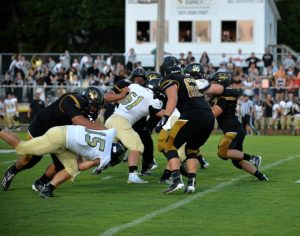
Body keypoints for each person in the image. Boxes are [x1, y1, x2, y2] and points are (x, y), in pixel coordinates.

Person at [1, 87, 111, 192]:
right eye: (95, 106)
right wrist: (106, 131)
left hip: (61, 135)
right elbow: (79, 120)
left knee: (61, 166)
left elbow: (85, 129)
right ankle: (12, 171)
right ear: (87, 101)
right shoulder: (70, 99)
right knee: (30, 159)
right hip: (42, 126)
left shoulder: (91, 111)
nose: (96, 109)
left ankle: (40, 182)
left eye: (98, 107)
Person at [157, 56, 226, 194]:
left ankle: (177, 180)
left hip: (190, 115)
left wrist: (165, 117)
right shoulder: (188, 79)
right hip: (208, 116)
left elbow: (173, 98)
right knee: (192, 149)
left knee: (169, 145)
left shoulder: (169, 79)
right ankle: (191, 182)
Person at [0, 126, 125, 198]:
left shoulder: (109, 134)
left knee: (72, 168)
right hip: (59, 139)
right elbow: (81, 166)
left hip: (64, 135)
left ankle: (47, 190)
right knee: (22, 148)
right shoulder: (105, 157)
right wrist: (98, 165)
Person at [208, 72, 268, 181]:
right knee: (237, 161)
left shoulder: (228, 94)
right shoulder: (218, 96)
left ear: (220, 83)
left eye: (213, 83)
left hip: (233, 131)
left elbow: (214, 113)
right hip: (234, 130)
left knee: (222, 153)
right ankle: (261, 176)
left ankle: (253, 158)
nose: (211, 85)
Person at [104, 75, 164, 184]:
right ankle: (133, 175)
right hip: (122, 122)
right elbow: (162, 113)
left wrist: (121, 95)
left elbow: (107, 96)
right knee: (137, 146)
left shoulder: (134, 86)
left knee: (108, 149)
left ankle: (98, 165)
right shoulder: (154, 99)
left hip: (111, 120)